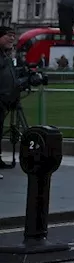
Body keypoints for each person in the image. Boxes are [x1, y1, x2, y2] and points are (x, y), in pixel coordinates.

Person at [0, 27, 18, 176]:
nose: (12, 39)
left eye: (14, 36)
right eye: (8, 36)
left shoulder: (5, 56)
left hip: (4, 98)